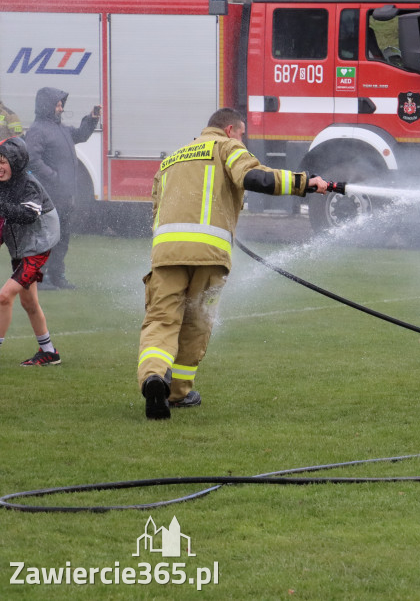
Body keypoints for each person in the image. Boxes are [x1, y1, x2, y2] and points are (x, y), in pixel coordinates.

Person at [137, 107, 330, 420]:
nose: (243, 140)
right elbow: (256, 178)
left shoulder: (171, 159)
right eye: (242, 134)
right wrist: (305, 183)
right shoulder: (227, 147)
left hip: (167, 255)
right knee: (197, 322)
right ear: (230, 130)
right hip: (210, 256)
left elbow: (156, 210)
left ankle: (154, 377)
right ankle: (177, 393)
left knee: (161, 320)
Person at [23, 87, 100, 290]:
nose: (60, 108)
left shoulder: (60, 128)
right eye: (57, 104)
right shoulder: (38, 130)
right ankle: (40, 278)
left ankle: (57, 276)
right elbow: (32, 159)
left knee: (62, 237)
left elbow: (81, 135)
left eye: (61, 104)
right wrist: (53, 177)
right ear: (47, 106)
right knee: (47, 237)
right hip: (49, 195)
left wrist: (91, 118)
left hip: (65, 196)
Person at [0, 137, 63, 366]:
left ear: (16, 162)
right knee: (29, 303)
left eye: (3, 161)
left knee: (4, 296)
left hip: (37, 248)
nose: (0, 167)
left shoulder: (28, 185)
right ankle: (49, 352)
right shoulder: (3, 185)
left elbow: (29, 214)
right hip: (21, 249)